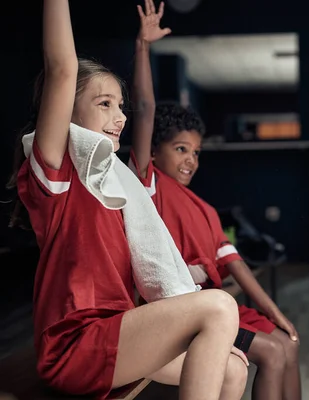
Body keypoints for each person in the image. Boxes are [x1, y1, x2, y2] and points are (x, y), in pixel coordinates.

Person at [7, 1, 247, 398]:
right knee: (220, 306)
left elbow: (146, 109)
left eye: (120, 106)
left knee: (234, 369)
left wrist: (141, 48)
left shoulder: (116, 180)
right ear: (65, 107)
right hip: (75, 344)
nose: (120, 116)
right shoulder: (58, 173)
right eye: (104, 104)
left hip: (117, 331)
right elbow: (62, 66)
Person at [128, 2, 300, 399]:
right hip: (183, 315)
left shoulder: (204, 208)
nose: (191, 160)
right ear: (154, 153)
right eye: (181, 149)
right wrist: (142, 48)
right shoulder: (146, 184)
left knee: (288, 341)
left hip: (216, 305)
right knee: (273, 354)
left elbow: (235, 266)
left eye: (196, 152)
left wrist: (276, 312)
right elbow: (145, 109)